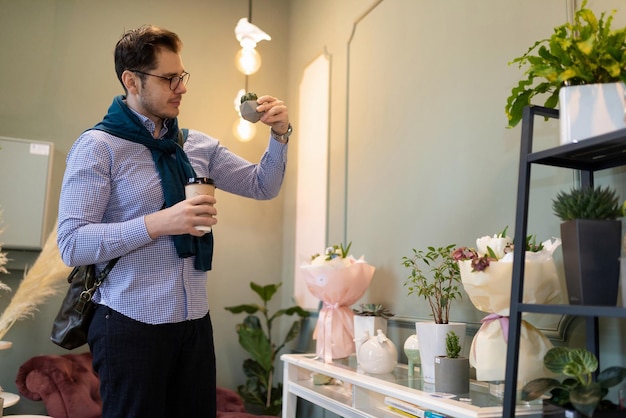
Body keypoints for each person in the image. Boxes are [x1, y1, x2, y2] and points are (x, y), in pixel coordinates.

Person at [56, 24, 292, 418]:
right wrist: (161, 222)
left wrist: (281, 134)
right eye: (169, 79)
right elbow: (72, 243)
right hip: (128, 325)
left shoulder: (195, 144)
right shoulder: (98, 147)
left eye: (181, 76)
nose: (181, 87)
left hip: (194, 323)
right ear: (131, 81)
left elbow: (262, 185)